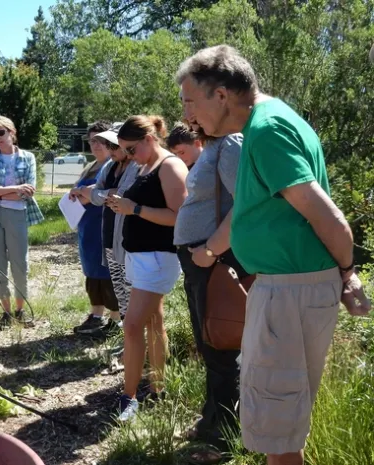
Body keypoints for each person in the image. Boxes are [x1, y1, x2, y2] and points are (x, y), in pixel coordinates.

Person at [177, 44, 371, 465]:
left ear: (221, 95)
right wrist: (212, 250)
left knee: (277, 433)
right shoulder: (271, 120)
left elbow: (332, 219)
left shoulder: (265, 132)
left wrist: (349, 273)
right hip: (288, 288)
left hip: (287, 293)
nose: (188, 116)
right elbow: (256, 211)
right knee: (280, 423)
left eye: (190, 102)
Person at [170, 121, 247, 464]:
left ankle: (225, 439)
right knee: (208, 344)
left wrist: (212, 250)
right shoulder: (216, 145)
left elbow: (245, 204)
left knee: (220, 346)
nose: (188, 110)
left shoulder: (230, 143)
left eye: (192, 101)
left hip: (213, 261)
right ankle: (211, 420)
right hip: (200, 261)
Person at [106, 115, 188, 421]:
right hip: (142, 257)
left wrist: (135, 209)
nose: (128, 156)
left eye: (130, 149)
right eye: (124, 151)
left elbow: (180, 216)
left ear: (149, 138)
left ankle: (129, 398)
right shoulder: (147, 165)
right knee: (154, 322)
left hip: (158, 259)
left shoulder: (170, 166)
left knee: (131, 326)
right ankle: (157, 388)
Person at [70, 123, 138, 338]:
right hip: (100, 230)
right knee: (108, 278)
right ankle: (113, 324)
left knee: (120, 282)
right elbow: (98, 194)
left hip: (119, 231)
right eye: (96, 141)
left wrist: (95, 194)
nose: (105, 147)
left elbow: (120, 193)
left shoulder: (133, 166)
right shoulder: (108, 167)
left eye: (110, 144)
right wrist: (94, 194)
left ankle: (120, 324)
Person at [0, 115, 44, 326]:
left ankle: (20, 310)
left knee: (20, 264)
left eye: (1, 132)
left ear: (12, 132)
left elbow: (28, 191)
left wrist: (1, 192)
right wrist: (15, 189)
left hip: (17, 215)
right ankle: (5, 313)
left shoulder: (28, 158)